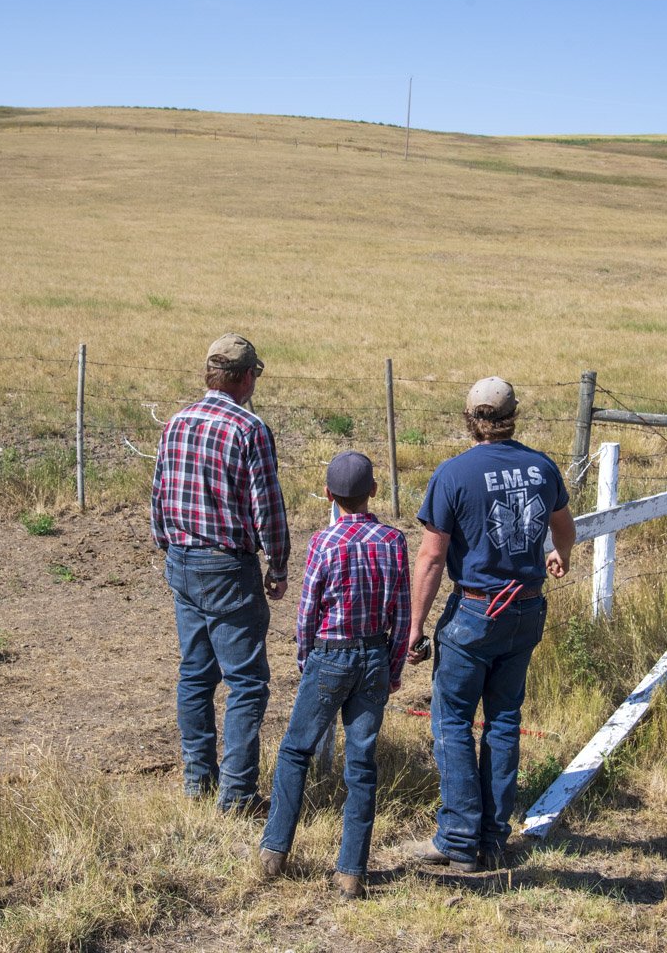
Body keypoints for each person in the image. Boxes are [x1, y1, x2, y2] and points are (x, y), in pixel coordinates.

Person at [402, 376, 575, 871]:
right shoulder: (542, 466)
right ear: (514, 414)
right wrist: (558, 557)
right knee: (504, 720)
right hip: (526, 607)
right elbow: (564, 525)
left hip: (477, 610)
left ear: (469, 417)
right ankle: (495, 838)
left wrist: (414, 626)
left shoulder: (454, 474)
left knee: (453, 719)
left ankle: (458, 838)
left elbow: (433, 557)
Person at [259, 450, 411, 900]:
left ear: (328, 494)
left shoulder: (324, 544)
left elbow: (307, 614)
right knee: (361, 764)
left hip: (330, 653)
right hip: (373, 657)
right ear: (374, 492)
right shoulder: (393, 541)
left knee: (295, 751)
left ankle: (275, 850)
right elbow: (400, 615)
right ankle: (350, 872)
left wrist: (308, 659)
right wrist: (394, 666)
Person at [152, 332, 290, 815]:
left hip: (182, 557)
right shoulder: (248, 429)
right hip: (228, 564)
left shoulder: (177, 422)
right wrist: (278, 562)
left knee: (195, 674)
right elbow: (266, 505)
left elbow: (160, 489)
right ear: (246, 376)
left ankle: (197, 782)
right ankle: (237, 795)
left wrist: (166, 542)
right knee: (247, 681)